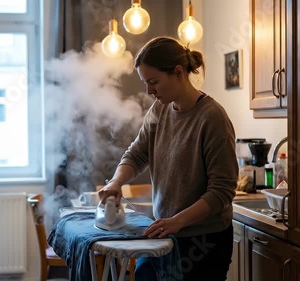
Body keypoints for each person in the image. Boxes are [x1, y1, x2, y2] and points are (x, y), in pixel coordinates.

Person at [97, 36, 238, 281]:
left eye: (154, 82)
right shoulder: (160, 109)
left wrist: (178, 221)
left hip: (203, 241)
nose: (149, 91)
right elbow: (137, 153)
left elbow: (222, 191)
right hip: (165, 232)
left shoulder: (212, 118)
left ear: (179, 72)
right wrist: (116, 182)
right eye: (146, 83)